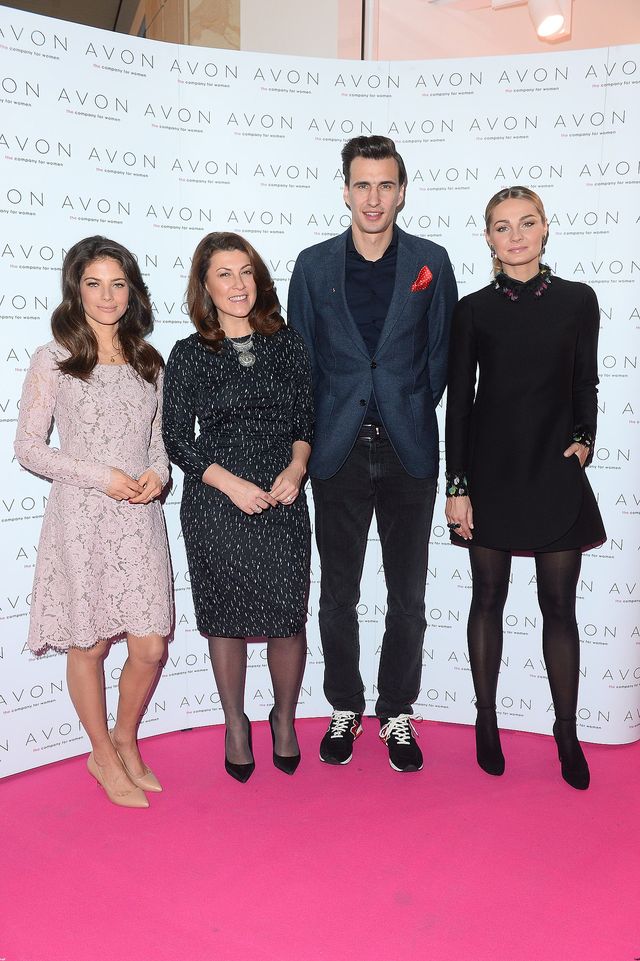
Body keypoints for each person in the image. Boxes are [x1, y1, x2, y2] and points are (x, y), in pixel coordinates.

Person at [288, 135, 458, 772]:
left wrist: (407, 404)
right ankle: (345, 704)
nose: (374, 198)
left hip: (409, 449)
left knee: (407, 591)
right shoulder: (313, 265)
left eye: (386, 185)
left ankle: (398, 711)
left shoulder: (431, 262)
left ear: (402, 191)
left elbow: (439, 357)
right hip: (336, 453)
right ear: (345, 190)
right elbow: (302, 360)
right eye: (362, 184)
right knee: (338, 592)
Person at [445, 186, 606, 791]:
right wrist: (457, 485)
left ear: (545, 230)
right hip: (488, 474)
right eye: (502, 226)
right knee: (487, 599)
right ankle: (486, 720)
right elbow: (458, 404)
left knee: (559, 606)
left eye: (527, 223)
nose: (515, 235)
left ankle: (566, 731)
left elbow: (585, 379)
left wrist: (584, 438)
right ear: (488, 238)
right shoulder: (473, 310)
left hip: (553, 470)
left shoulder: (578, 300)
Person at [14, 236, 173, 809]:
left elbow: (158, 444)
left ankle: (124, 738)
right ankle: (102, 758)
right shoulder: (52, 358)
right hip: (82, 516)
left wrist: (159, 475)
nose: (107, 296)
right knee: (91, 642)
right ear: (75, 290)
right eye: (93, 284)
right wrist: (99, 474)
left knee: (150, 644)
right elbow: (29, 449)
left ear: (131, 290)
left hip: (139, 518)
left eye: (117, 283)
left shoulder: (149, 361)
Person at [162, 232, 313, 782]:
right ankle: (234, 724)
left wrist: (295, 471)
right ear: (204, 284)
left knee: (286, 618)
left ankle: (285, 718)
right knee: (225, 620)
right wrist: (233, 486)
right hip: (217, 501)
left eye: (245, 271)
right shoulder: (188, 352)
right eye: (224, 273)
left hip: (282, 495)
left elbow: (304, 421)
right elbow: (179, 441)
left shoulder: (288, 343)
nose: (238, 284)